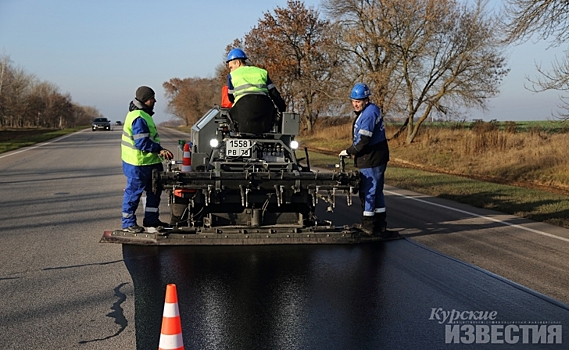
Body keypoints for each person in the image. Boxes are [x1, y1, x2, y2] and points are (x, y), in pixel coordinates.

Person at [340, 83, 398, 239]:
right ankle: (380, 224)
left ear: (366, 99)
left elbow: (364, 140)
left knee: (368, 192)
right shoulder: (372, 110)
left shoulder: (368, 114)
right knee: (377, 191)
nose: (355, 104)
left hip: (371, 157)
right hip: (377, 155)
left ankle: (368, 225)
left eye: (358, 101)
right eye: (353, 101)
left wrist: (349, 151)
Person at [121, 86, 173, 233]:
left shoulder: (143, 114)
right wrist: (159, 150)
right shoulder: (138, 117)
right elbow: (142, 143)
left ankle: (151, 220)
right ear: (145, 100)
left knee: (154, 191)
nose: (155, 100)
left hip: (149, 162)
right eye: (152, 98)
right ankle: (128, 223)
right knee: (133, 193)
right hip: (138, 164)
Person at [225, 48, 286, 134]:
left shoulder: (232, 75)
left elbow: (231, 98)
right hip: (265, 117)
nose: (230, 70)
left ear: (238, 63)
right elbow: (274, 95)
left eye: (231, 67)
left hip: (243, 117)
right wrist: (283, 110)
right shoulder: (262, 72)